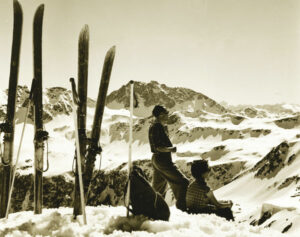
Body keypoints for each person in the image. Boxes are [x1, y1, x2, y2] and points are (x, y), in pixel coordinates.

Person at [148, 105, 189, 211]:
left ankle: (152, 209)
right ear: (161, 115)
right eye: (166, 113)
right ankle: (182, 208)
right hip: (162, 160)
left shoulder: (155, 126)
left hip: (157, 160)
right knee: (183, 182)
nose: (168, 115)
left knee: (158, 188)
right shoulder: (158, 127)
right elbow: (158, 147)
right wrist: (171, 149)